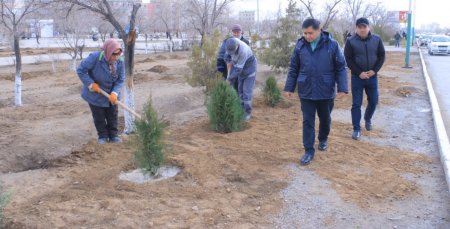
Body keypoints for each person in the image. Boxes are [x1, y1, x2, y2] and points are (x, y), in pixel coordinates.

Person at [284, 18, 348, 166]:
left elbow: (341, 67)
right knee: (308, 121)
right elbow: (294, 67)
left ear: (319, 30)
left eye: (310, 33)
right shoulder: (300, 45)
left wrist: (343, 88)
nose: (307, 36)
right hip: (306, 89)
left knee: (325, 119)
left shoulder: (332, 45)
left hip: (325, 89)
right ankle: (308, 150)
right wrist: (289, 87)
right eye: (305, 33)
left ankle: (323, 139)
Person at [77, 39, 125, 144]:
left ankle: (113, 136)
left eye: (118, 54)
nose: (116, 57)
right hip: (95, 94)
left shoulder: (120, 61)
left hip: (111, 94)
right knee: (99, 116)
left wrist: (115, 93)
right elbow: (80, 70)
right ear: (108, 52)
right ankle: (102, 136)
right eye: (114, 54)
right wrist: (90, 84)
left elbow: (120, 79)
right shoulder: (95, 58)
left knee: (112, 115)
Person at [344, 17, 385, 140]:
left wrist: (374, 71)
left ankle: (367, 118)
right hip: (357, 78)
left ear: (369, 27)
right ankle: (356, 129)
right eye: (359, 27)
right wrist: (359, 72)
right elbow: (348, 59)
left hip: (372, 77)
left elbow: (382, 56)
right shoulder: (350, 41)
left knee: (373, 101)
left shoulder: (377, 40)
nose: (362, 29)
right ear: (356, 28)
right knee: (356, 104)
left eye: (364, 27)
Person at [225, 37, 257, 122]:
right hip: (239, 70)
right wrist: (228, 62)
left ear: (237, 46)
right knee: (240, 91)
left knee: (246, 92)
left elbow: (238, 69)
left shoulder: (243, 51)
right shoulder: (229, 44)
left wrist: (229, 79)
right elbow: (227, 57)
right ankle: (241, 111)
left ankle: (247, 113)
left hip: (249, 70)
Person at [217, 24, 250, 91]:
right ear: (232, 33)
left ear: (241, 32)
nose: (236, 34)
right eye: (234, 32)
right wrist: (220, 67)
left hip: (240, 69)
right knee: (229, 86)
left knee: (239, 88)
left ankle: (238, 100)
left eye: (237, 32)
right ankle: (230, 99)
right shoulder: (227, 41)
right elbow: (221, 54)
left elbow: (248, 56)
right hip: (229, 68)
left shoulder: (246, 42)